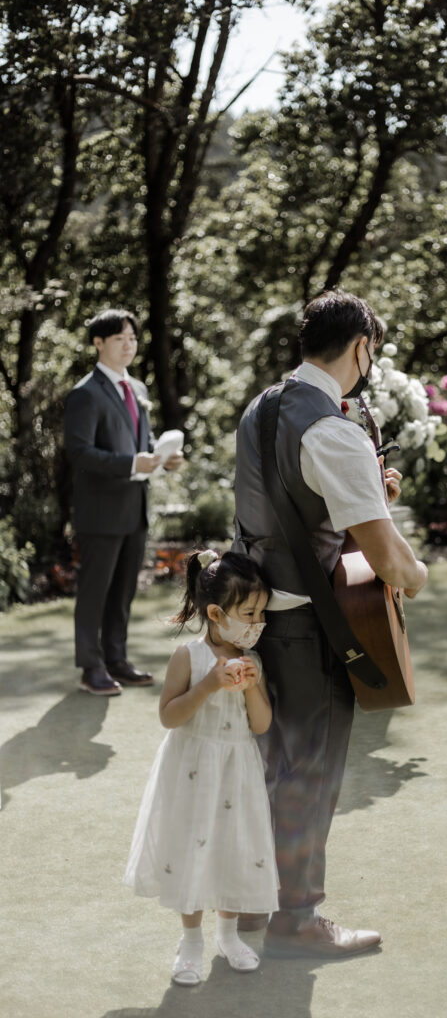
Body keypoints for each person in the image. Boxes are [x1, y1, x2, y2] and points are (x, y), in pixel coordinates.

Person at [232, 290, 428, 959]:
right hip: (313, 631)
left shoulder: (263, 406)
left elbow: (291, 499)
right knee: (309, 773)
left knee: (272, 765)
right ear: (360, 349)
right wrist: (417, 576)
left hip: (257, 619)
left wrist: (369, 489)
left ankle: (256, 900)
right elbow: (390, 564)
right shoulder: (333, 428)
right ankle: (299, 916)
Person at [124, 549, 279, 985]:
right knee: (190, 849)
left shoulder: (254, 660)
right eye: (249, 613)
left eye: (261, 614)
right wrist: (210, 683)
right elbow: (169, 716)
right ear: (215, 613)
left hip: (236, 769)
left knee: (233, 848)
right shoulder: (188, 657)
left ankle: (228, 935)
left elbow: (262, 723)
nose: (257, 623)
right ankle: (191, 940)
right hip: (192, 769)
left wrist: (250, 688)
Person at [64, 309, 182, 696]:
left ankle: (116, 659)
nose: (128, 345)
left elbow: (142, 447)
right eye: (119, 338)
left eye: (132, 338)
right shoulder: (85, 393)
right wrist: (132, 462)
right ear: (98, 343)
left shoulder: (140, 391)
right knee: (95, 592)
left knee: (124, 592)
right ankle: (90, 666)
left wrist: (162, 459)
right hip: (100, 511)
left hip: (135, 508)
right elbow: (79, 453)